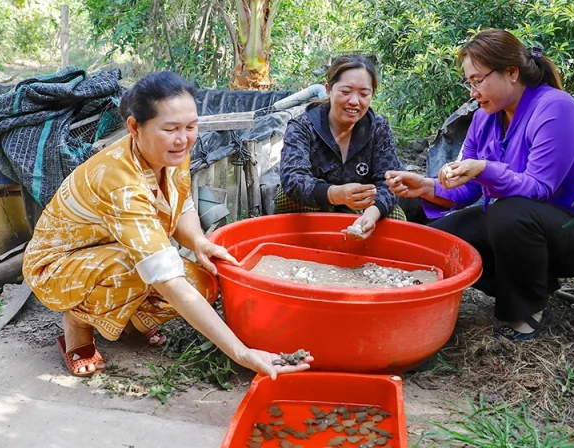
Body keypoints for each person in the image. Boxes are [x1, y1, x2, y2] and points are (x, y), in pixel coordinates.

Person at [23, 71, 312, 377]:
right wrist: (242, 352)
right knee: (136, 267)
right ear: (135, 127)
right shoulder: (119, 181)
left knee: (201, 284)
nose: (183, 139)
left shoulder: (171, 152)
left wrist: (198, 241)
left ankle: (130, 322)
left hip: (114, 251)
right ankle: (77, 324)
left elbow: (182, 203)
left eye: (191, 126)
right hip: (57, 266)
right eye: (171, 128)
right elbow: (165, 276)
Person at [385, 29, 574, 342]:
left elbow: (539, 188)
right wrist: (426, 186)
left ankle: (528, 310)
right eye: (469, 83)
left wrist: (485, 169)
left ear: (512, 72)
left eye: (478, 80)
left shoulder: (555, 108)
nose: (473, 92)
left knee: (508, 213)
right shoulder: (484, 118)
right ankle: (533, 283)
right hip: (520, 223)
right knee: (442, 240)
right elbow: (468, 189)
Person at [277, 54, 405, 240]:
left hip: (361, 204)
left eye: (364, 94)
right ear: (328, 89)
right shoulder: (303, 127)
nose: (354, 101)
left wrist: (372, 213)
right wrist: (335, 194)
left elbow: (390, 181)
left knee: (397, 218)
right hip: (314, 202)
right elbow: (293, 178)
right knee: (284, 199)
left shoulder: (378, 128)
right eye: (346, 92)